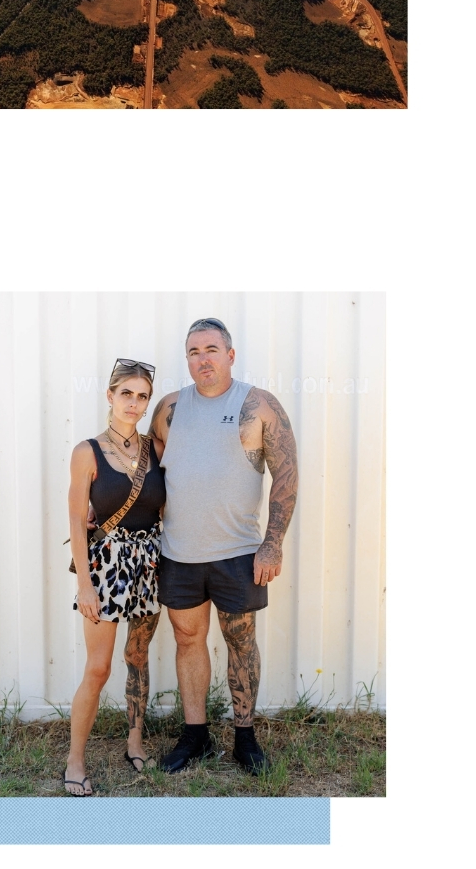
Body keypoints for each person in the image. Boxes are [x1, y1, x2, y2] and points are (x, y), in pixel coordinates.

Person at [152, 317, 299, 777]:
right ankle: (194, 734)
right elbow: (153, 464)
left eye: (211, 349)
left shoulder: (258, 405)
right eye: (193, 351)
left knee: (241, 642)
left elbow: (287, 475)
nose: (202, 359)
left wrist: (272, 544)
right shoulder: (171, 408)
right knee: (187, 640)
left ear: (230, 355)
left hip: (238, 552)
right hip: (179, 552)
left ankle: (245, 737)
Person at [61, 358, 168, 796]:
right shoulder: (86, 451)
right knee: (99, 667)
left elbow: (167, 504)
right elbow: (74, 520)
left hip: (148, 565)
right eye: (127, 393)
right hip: (104, 568)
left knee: (138, 658)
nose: (135, 403)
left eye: (143, 396)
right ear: (110, 395)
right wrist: (84, 584)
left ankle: (135, 740)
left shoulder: (156, 450)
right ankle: (75, 758)